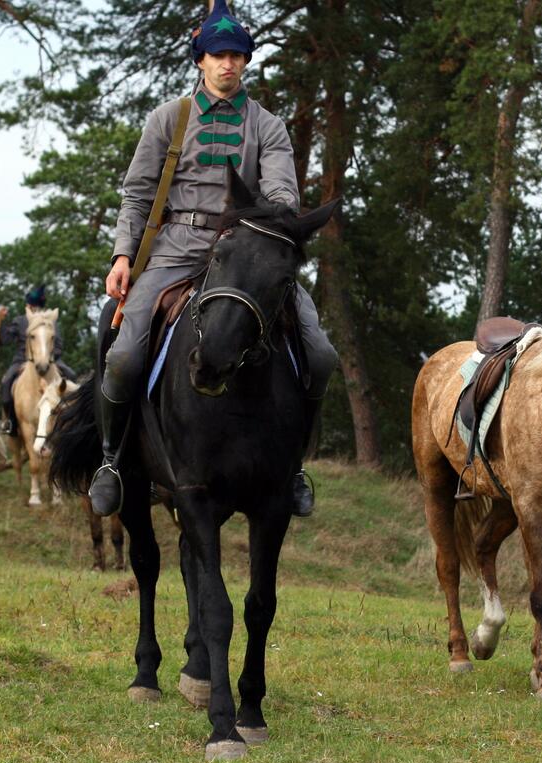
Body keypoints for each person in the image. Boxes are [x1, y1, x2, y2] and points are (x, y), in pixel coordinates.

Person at [88, 0, 337, 520]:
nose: (228, 64)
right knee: (124, 354)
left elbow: (283, 199)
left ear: (246, 62)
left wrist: (263, 227)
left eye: (237, 55)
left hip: (246, 256)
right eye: (218, 54)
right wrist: (122, 256)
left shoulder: (267, 127)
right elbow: (136, 195)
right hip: (175, 250)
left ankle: (291, 467)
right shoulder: (167, 119)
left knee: (318, 352)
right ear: (200, 60)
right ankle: (111, 460)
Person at [0, 285, 76, 436]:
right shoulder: (20, 321)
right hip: (22, 360)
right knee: (6, 382)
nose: (33, 307)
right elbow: (5, 339)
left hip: (50, 360)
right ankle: (10, 421)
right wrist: (1, 323)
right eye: (33, 305)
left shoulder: (50, 322)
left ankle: (71, 419)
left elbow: (58, 345)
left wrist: (49, 357)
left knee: (71, 376)